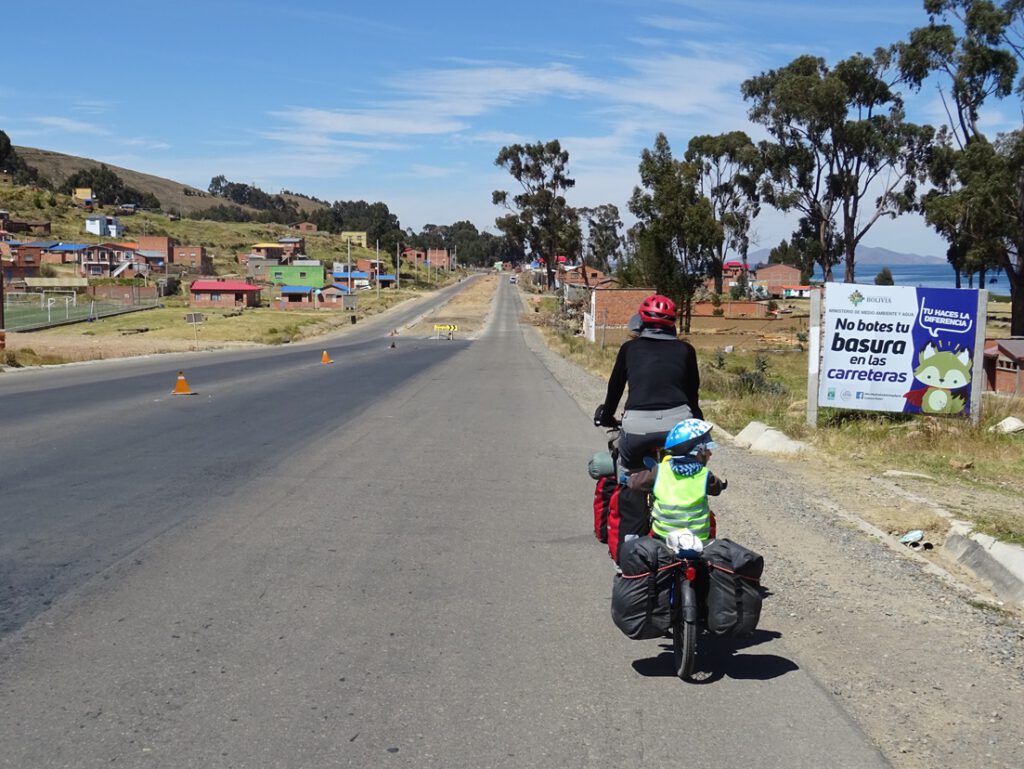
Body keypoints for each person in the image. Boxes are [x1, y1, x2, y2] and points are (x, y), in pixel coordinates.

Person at [595, 295, 703, 476]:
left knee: (626, 474)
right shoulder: (686, 350)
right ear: (673, 325)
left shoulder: (629, 349)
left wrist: (606, 416)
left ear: (640, 322)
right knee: (687, 471)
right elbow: (692, 394)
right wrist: (698, 421)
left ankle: (628, 492)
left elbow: (615, 388)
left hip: (638, 426)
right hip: (677, 425)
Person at [627, 418, 726, 544]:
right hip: (698, 539)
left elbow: (635, 484)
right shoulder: (705, 475)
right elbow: (717, 489)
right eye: (707, 448)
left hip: (662, 535)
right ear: (697, 452)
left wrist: (630, 478)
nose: (710, 453)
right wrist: (721, 484)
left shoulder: (659, 471)